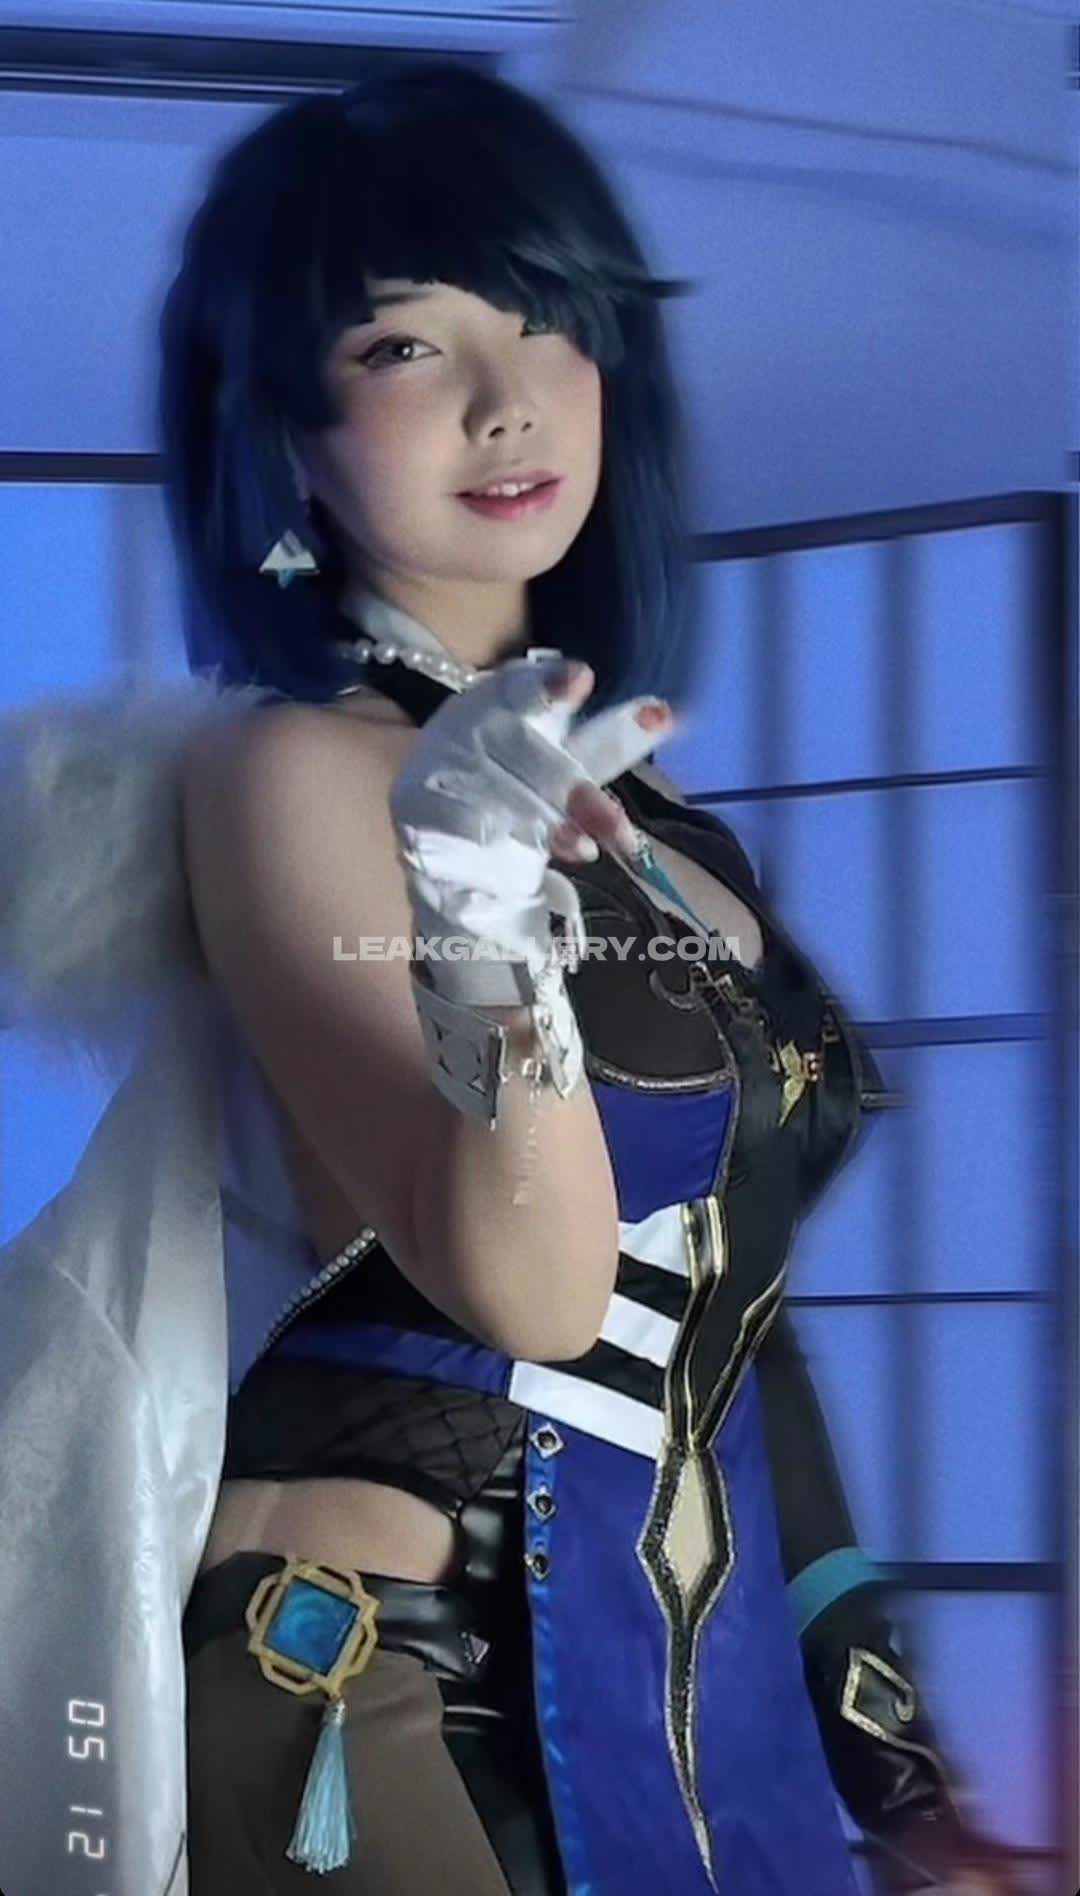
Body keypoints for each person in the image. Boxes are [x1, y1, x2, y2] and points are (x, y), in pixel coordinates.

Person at [0, 54, 1021, 1896]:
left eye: (546, 321)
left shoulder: (676, 838)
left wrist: (903, 1777)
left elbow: (738, 1326)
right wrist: (474, 914)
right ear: (283, 425)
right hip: (378, 1677)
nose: (507, 399)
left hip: (692, 1692)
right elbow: (537, 1291)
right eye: (406, 345)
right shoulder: (291, 771)